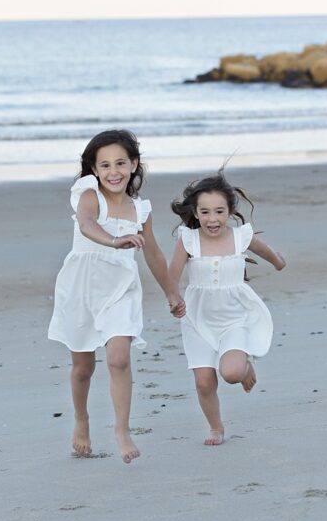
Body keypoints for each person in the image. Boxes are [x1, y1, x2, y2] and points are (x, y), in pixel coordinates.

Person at [48, 129, 184, 463]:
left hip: (120, 289)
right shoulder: (89, 194)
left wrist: (171, 292)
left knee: (119, 358)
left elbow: (153, 254)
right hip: (81, 287)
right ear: (94, 169)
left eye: (121, 163)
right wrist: (114, 241)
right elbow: (86, 224)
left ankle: (122, 431)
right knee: (82, 368)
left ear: (134, 164)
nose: (114, 171)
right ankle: (82, 420)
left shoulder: (141, 210)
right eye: (105, 164)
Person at [167, 171, 286, 446]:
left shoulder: (241, 236)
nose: (212, 219)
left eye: (219, 211)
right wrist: (173, 298)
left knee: (231, 373)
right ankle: (216, 427)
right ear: (195, 213)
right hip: (197, 319)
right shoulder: (188, 240)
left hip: (234, 317)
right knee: (204, 382)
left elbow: (266, 251)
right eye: (205, 212)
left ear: (230, 211)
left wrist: (278, 262)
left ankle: (245, 368)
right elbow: (171, 275)